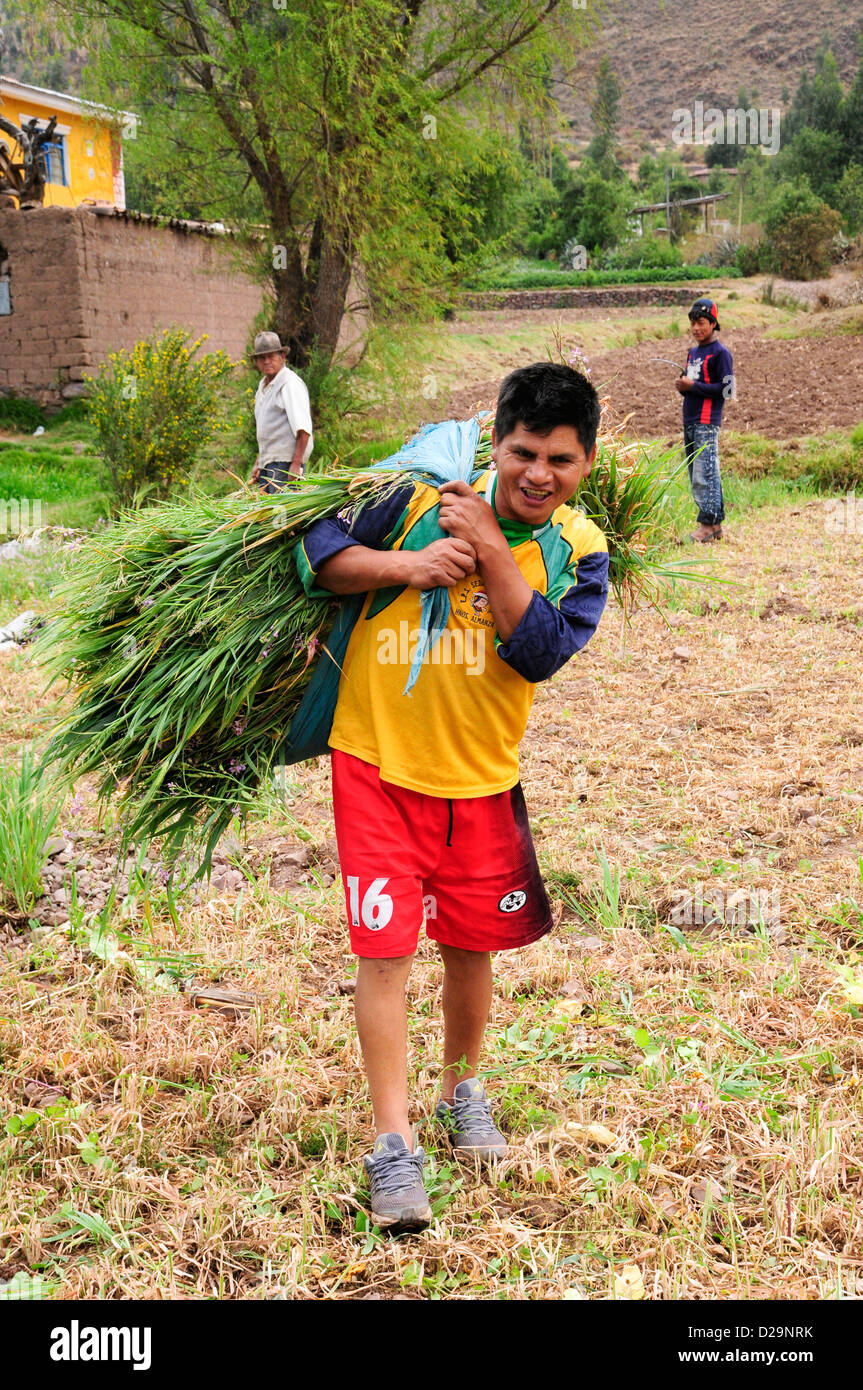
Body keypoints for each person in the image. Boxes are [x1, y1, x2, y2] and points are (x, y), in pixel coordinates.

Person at [295, 362, 609, 1231]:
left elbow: (541, 648)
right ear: (493, 442)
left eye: (559, 458)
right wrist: (410, 563)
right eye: (520, 452)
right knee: (385, 955)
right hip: (377, 767)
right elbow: (319, 554)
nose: (537, 474)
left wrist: (490, 544)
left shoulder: (578, 549)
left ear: (587, 462)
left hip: (482, 784)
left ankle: (460, 1088)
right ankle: (392, 1144)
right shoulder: (413, 495)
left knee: (471, 949)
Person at [675, 297, 734, 543]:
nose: (696, 328)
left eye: (701, 323)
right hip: (690, 418)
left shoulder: (721, 353)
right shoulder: (692, 353)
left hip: (707, 420)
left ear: (712, 323)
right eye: (693, 323)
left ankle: (707, 525)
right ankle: (714, 524)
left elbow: (727, 390)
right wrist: (683, 385)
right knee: (700, 471)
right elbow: (692, 386)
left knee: (704, 472)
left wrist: (693, 385)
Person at [249, 331, 314, 492]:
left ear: (282, 356)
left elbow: (304, 430)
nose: (266, 361)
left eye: (271, 356)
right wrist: (259, 463)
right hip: (270, 465)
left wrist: (296, 465)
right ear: (256, 361)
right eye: (262, 358)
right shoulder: (263, 387)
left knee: (282, 515)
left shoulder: (289, 384)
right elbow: (267, 433)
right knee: (269, 515)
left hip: (285, 465)